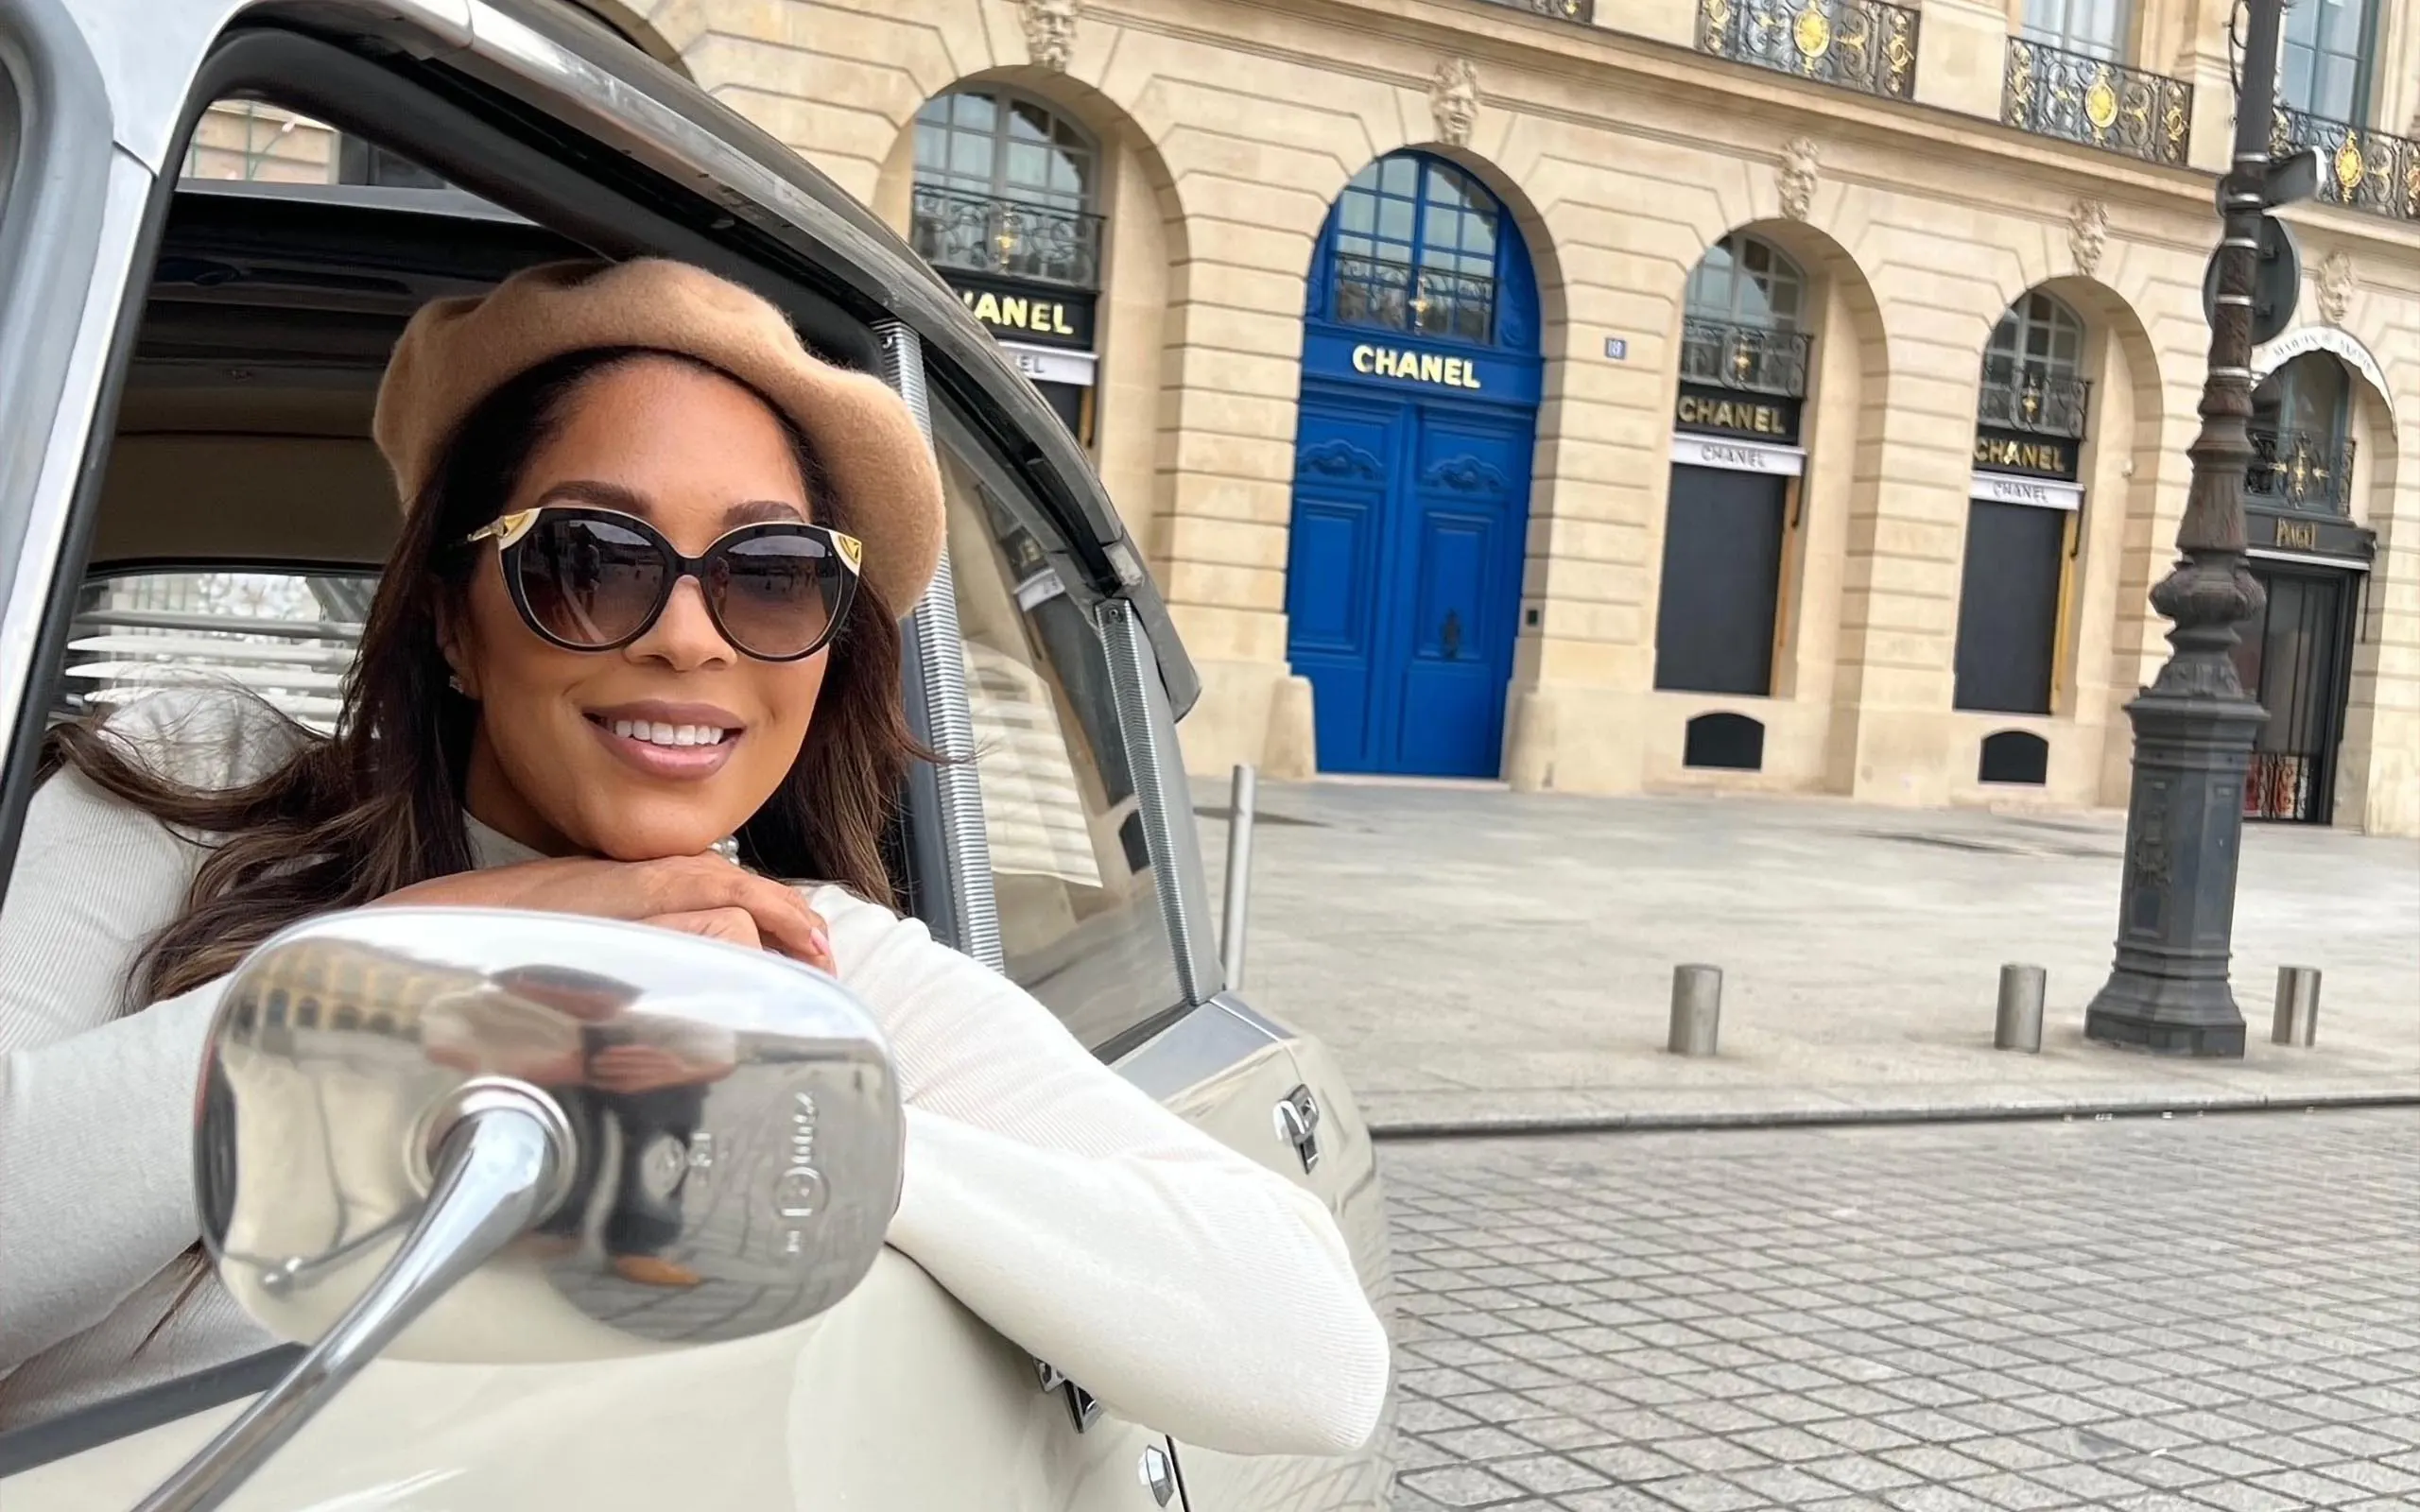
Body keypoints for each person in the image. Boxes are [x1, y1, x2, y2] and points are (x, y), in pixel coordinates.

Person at [0, 259, 1390, 1452]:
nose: (686, 636)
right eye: (592, 557)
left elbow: (1313, 1358)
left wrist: (767, 1106)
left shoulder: (823, 968)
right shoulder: (199, 792)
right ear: (452, 623)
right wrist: (429, 967)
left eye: (770, 574)